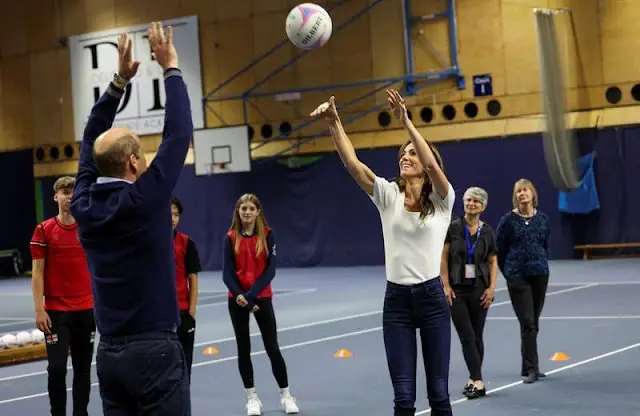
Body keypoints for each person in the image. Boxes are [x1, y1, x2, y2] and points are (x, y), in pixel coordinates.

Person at [69, 23, 193, 414]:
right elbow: (178, 133)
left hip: (108, 353)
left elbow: (90, 138)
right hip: (154, 349)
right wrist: (170, 66)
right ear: (134, 162)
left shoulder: (83, 207)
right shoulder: (147, 198)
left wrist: (119, 83)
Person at [310, 90, 455, 416]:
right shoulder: (388, 195)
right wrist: (334, 123)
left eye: (412, 154)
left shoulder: (443, 202)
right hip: (398, 304)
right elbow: (353, 165)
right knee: (403, 398)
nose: (406, 157)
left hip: (432, 301)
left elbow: (431, 163)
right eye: (402, 153)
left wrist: (405, 121)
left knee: (439, 396)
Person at [221, 193, 299, 416]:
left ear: (257, 212)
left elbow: (270, 270)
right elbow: (227, 274)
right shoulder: (229, 238)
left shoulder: (267, 235)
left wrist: (252, 296)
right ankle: (252, 398)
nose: (247, 212)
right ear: (238, 211)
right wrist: (241, 297)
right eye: (243, 208)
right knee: (243, 348)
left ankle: (286, 395)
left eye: (251, 209)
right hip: (237, 300)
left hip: (260, 298)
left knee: (272, 347)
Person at [30, 176, 95, 416]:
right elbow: (37, 272)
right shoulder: (44, 230)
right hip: (57, 312)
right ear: (55, 197)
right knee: (56, 368)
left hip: (86, 310)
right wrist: (39, 308)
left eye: (72, 192)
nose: (68, 196)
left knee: (83, 369)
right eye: (64, 192)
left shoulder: (87, 229)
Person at [440, 187, 497, 400]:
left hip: (480, 290)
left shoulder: (488, 232)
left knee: (477, 335)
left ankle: (474, 379)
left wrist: (491, 289)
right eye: (467, 200)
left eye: (475, 201)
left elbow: (492, 261)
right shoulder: (453, 228)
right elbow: (443, 258)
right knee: (467, 336)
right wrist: (445, 285)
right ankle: (478, 380)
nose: (470, 204)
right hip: (457, 291)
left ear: (482, 206)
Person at [496, 178, 551, 384]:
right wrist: (509, 272)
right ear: (515, 196)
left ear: (533, 194)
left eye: (525, 190)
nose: (522, 193)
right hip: (517, 277)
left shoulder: (543, 219)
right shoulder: (508, 221)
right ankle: (531, 368)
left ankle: (526, 365)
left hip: (539, 275)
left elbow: (545, 244)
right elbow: (499, 249)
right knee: (527, 321)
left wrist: (540, 263)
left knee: (533, 322)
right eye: (518, 191)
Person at [171, 196, 202, 380]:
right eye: (169, 214)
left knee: (184, 367)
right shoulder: (151, 243)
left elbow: (193, 279)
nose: (173, 218)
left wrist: (191, 313)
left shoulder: (186, 243)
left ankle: (183, 407)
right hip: (159, 317)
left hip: (183, 313)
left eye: (176, 214)